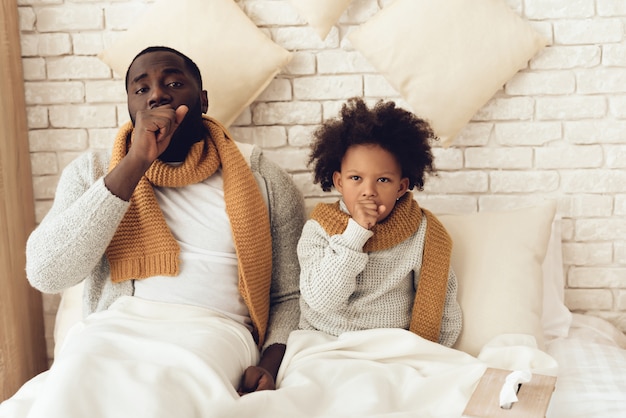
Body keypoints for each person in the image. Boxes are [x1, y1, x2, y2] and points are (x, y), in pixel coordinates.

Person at [21, 45, 305, 411]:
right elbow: (47, 273)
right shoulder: (93, 171)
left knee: (167, 392)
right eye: (141, 89)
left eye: (173, 82)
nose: (157, 94)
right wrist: (134, 162)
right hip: (115, 328)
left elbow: (290, 295)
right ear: (129, 107)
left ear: (202, 100)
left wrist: (269, 364)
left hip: (215, 330)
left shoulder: (264, 179)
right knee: (74, 382)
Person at [297, 97, 462, 347]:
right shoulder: (319, 228)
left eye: (383, 180)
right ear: (339, 182)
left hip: (393, 347)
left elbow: (442, 304)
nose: (368, 191)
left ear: (401, 186)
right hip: (327, 342)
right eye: (356, 178)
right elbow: (321, 300)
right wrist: (356, 233)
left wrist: (435, 354)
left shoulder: (422, 232)